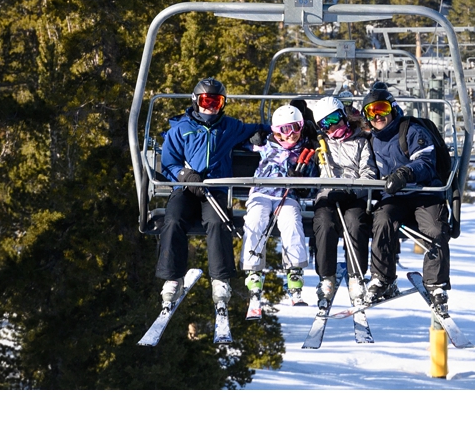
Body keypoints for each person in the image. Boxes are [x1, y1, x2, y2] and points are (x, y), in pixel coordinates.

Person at [155, 77, 266, 316]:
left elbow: (262, 128)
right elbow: (169, 163)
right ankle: (173, 278)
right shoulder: (181, 128)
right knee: (173, 219)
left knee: (217, 222)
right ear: (196, 101)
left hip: (215, 190)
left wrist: (259, 134)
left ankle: (220, 279)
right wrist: (185, 175)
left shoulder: (228, 126)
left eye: (217, 101)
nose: (211, 107)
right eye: (207, 101)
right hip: (186, 189)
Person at [360, 82, 451, 313]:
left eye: (381, 108)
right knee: (382, 220)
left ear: (392, 108)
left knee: (436, 229)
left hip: (424, 192)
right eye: (371, 111)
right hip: (395, 198)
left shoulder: (411, 131)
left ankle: (436, 283)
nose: (377, 116)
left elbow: (426, 161)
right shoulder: (371, 139)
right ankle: (383, 278)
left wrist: (405, 173)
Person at [241, 104, 316, 307]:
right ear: (275, 130)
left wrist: (301, 185)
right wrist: (250, 137)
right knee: (255, 221)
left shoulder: (307, 150)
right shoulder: (265, 145)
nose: (290, 134)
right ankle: (253, 271)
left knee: (292, 223)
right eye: (284, 129)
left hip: (288, 196)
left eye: (295, 128)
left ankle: (294, 273)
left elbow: (312, 187)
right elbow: (236, 139)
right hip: (261, 193)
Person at [307, 94, 376, 310]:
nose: (332, 126)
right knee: (324, 223)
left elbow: (369, 171)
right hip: (328, 195)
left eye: (335, 118)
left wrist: (353, 189)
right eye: (325, 123)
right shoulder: (320, 145)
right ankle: (326, 276)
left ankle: (356, 275)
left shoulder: (360, 141)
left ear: (344, 115)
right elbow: (311, 174)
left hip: (355, 195)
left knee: (355, 222)